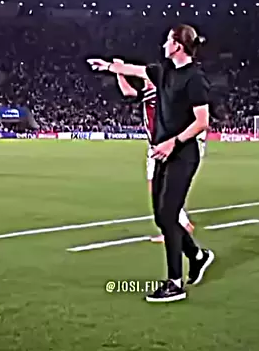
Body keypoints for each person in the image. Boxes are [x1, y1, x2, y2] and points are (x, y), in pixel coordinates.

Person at [88, 24, 215, 303]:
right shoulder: (164, 71)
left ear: (178, 45)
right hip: (162, 152)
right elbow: (135, 70)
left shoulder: (195, 78)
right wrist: (108, 66)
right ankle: (197, 256)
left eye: (168, 40)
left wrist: (173, 142)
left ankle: (174, 283)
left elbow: (202, 122)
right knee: (161, 217)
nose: (163, 44)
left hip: (182, 153)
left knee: (168, 215)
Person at [112, 58, 195, 243]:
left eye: (148, 78)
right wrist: (119, 72)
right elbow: (127, 91)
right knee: (157, 190)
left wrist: (119, 68)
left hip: (165, 147)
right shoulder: (150, 93)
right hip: (155, 147)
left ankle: (178, 227)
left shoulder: (159, 93)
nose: (145, 80)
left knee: (164, 190)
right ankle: (178, 224)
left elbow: (130, 91)